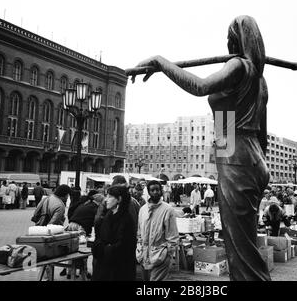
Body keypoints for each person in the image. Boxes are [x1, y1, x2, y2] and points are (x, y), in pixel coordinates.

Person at [134, 15, 271, 280]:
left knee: (241, 252)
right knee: (244, 244)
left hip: (237, 156)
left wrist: (160, 62)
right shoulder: (259, 80)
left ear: (237, 40)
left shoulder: (238, 66)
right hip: (248, 154)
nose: (227, 42)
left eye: (229, 37)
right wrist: (230, 157)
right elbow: (250, 130)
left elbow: (200, 87)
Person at [136, 180, 179, 281]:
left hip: (160, 256)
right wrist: (139, 248)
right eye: (152, 190)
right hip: (144, 255)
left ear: (161, 191)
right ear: (148, 192)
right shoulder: (143, 209)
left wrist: (168, 254)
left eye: (157, 190)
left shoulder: (168, 210)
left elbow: (172, 235)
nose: (155, 192)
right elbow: (139, 232)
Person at [91, 185, 136, 281]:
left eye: (110, 196)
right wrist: (100, 247)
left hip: (118, 269)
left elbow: (124, 246)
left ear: (119, 199)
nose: (106, 200)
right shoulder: (108, 215)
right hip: (104, 265)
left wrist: (106, 249)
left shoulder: (126, 219)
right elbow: (100, 237)